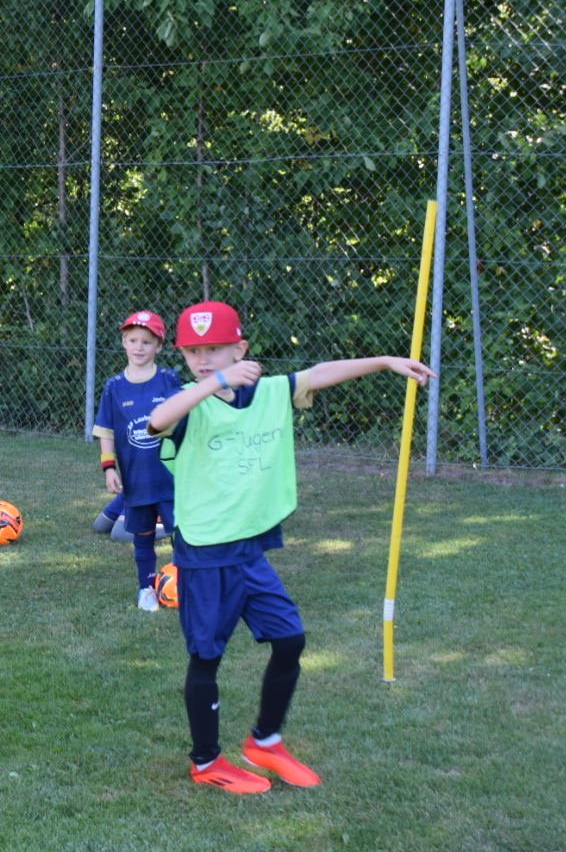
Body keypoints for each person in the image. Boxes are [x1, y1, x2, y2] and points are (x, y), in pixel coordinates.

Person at [147, 300, 435, 793]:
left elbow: (318, 374)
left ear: (240, 348)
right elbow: (157, 420)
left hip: (248, 548)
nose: (204, 359)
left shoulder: (270, 392)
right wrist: (215, 382)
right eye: (194, 351)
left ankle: (265, 740)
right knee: (206, 657)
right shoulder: (190, 401)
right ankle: (206, 761)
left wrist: (385, 362)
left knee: (290, 639)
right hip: (206, 551)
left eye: (215, 349)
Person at [92, 310, 181, 611]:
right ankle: (146, 588)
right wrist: (109, 468)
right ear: (124, 343)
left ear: (159, 346)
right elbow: (106, 431)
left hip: (170, 478)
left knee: (181, 534)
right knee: (142, 536)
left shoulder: (169, 380)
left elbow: (184, 419)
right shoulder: (114, 387)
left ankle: (186, 583)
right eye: (133, 340)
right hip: (136, 479)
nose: (139, 347)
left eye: (146, 342)